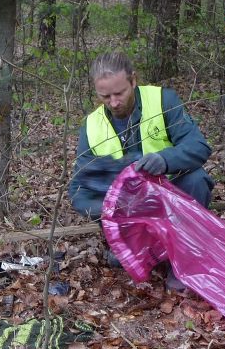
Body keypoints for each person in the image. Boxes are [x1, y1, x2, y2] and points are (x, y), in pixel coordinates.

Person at [68, 52, 214, 291]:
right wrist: (108, 208)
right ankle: (134, 250)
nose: (113, 102)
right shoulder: (91, 125)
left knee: (196, 179)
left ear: (133, 81)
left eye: (120, 93)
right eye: (105, 96)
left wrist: (164, 160)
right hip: (128, 207)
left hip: (169, 194)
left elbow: (199, 146)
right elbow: (79, 188)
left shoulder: (163, 100)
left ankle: (182, 262)